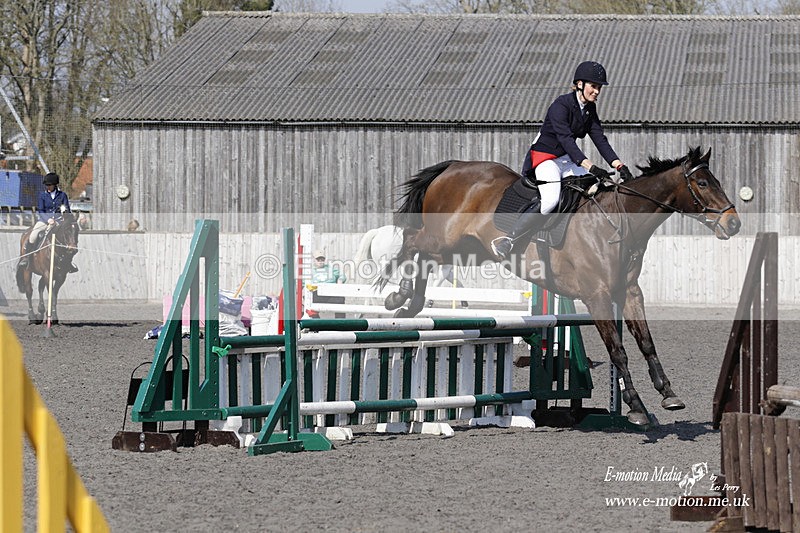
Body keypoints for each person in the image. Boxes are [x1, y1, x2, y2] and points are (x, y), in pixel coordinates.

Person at [492, 61, 634, 260]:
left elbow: (599, 138)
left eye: (599, 87)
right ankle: (509, 240)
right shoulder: (561, 105)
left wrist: (619, 164)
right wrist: (591, 166)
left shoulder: (589, 109)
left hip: (564, 159)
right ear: (580, 84)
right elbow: (566, 140)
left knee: (596, 186)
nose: (597, 92)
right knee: (550, 200)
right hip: (544, 158)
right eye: (594, 86)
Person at [18, 172, 79, 272]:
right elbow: (41, 210)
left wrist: (66, 218)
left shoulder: (62, 195)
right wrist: (48, 220)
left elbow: (67, 209)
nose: (48, 187)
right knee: (33, 235)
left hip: (59, 222)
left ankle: (68, 263)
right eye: (46, 185)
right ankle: (26, 259)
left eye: (49, 185)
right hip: (44, 221)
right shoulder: (42, 195)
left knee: (68, 238)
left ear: (55, 185)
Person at [309, 249, 346, 318]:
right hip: (317, 293)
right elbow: (303, 283)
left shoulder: (330, 268)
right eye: (318, 259)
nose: (320, 261)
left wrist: (340, 280)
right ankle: (316, 324)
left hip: (330, 292)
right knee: (310, 301)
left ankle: (340, 324)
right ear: (314, 260)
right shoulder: (311, 271)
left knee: (340, 298)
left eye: (322, 259)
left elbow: (342, 275)